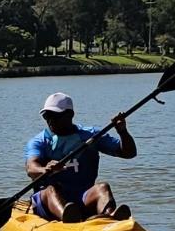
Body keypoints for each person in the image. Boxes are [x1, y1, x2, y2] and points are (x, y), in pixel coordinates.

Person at [24, 92, 137, 223]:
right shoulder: (39, 141)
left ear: (70, 115)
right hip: (49, 202)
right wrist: (45, 169)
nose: (50, 120)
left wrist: (122, 131)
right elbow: (31, 168)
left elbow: (129, 153)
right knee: (50, 190)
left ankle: (110, 216)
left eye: (55, 115)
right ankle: (67, 217)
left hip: (83, 197)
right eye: (46, 116)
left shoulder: (91, 135)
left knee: (102, 187)